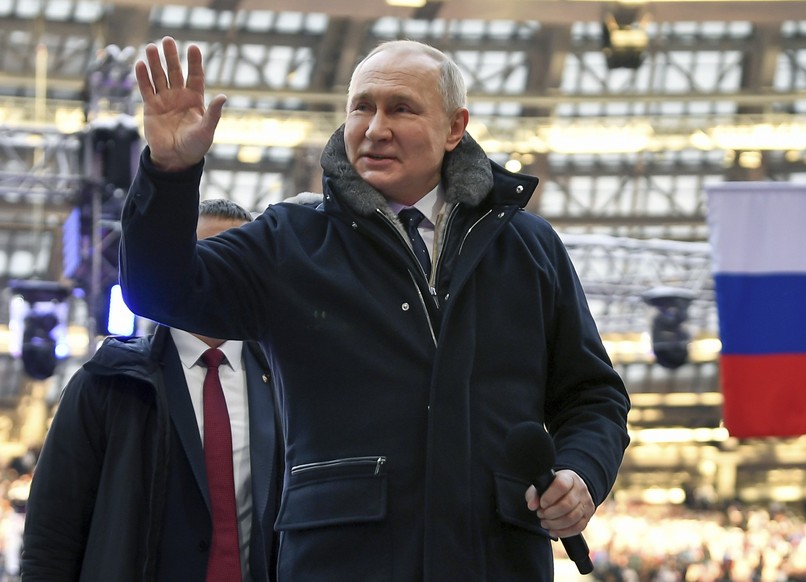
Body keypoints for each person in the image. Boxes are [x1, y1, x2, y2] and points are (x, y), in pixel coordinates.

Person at [119, 36, 630, 581]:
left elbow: (593, 396)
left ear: (455, 127)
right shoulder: (290, 241)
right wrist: (168, 173)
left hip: (494, 561)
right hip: (341, 563)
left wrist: (581, 472)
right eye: (361, 106)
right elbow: (159, 289)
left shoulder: (528, 248)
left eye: (401, 108)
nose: (374, 127)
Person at [21, 199, 281, 582]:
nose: (222, 273)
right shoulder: (108, 382)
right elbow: (51, 536)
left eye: (239, 259)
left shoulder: (283, 387)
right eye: (207, 256)